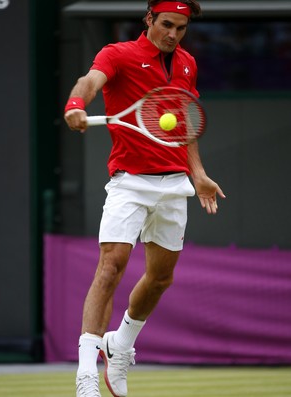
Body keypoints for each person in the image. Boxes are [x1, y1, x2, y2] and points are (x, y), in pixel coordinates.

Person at [64, 1, 226, 396]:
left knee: (159, 278)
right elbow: (89, 81)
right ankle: (86, 372)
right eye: (167, 24)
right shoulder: (117, 54)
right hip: (129, 183)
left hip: (174, 185)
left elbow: (184, 120)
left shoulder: (186, 63)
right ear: (149, 19)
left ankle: (119, 346)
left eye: (181, 28)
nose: (173, 34)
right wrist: (75, 104)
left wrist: (198, 173)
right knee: (111, 266)